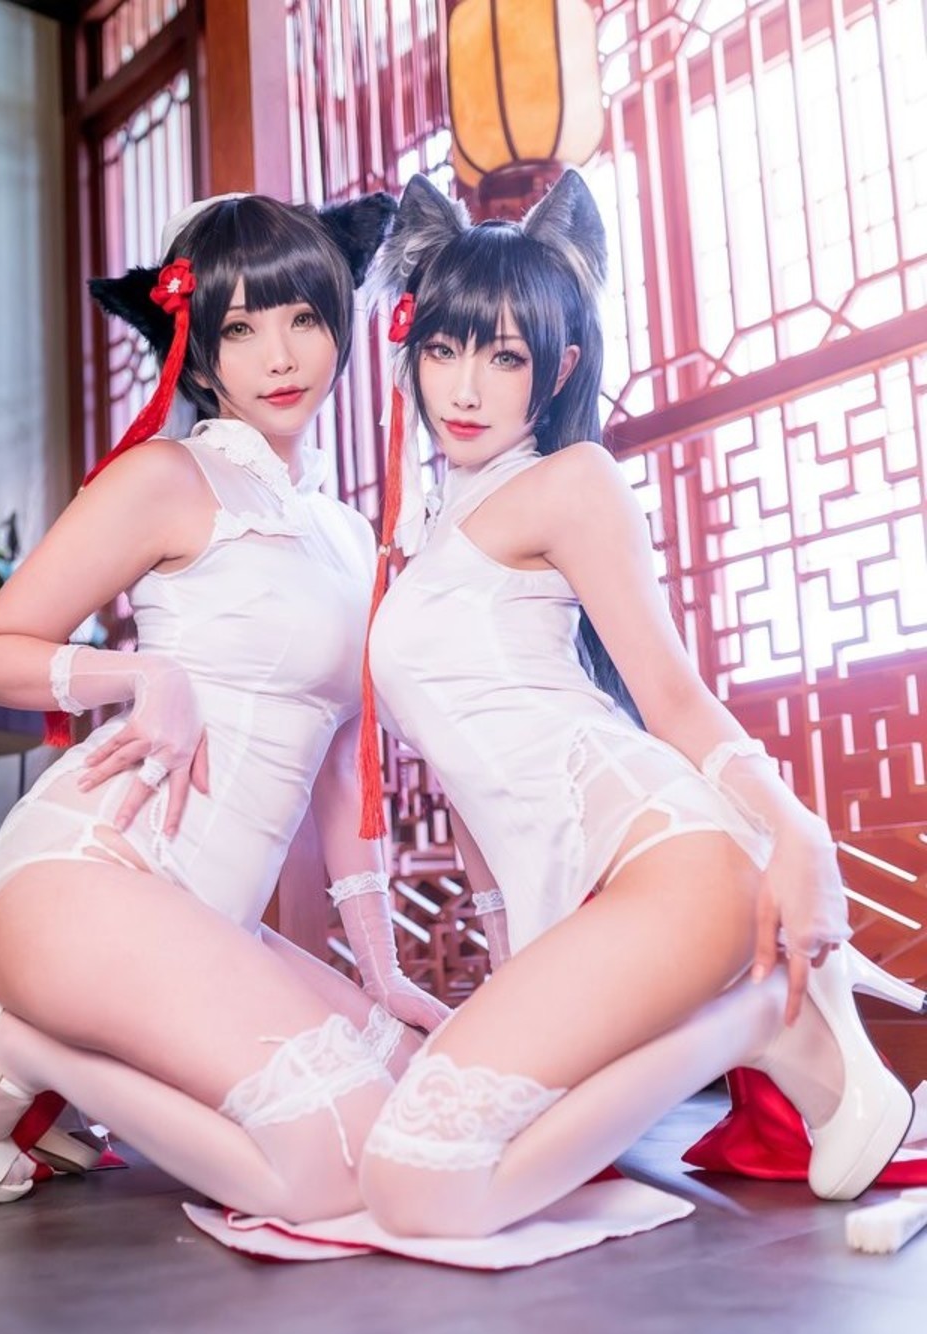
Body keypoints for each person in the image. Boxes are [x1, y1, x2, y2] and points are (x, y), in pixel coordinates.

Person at [0, 190, 447, 1217]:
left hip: (204, 924)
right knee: (335, 1174)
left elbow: (345, 773)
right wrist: (141, 676)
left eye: (304, 318)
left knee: (423, 1121)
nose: (280, 356)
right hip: (88, 881)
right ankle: (17, 1044)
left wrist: (383, 971)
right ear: (198, 355)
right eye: (240, 329)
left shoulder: (349, 538)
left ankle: (36, 1068)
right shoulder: (168, 478)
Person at [353, 170, 923, 1239]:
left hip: (671, 860)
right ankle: (760, 1024)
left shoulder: (571, 481)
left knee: (416, 1182)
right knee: (432, 1171)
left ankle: (762, 1019)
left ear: (559, 367)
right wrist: (511, 962)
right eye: (442, 349)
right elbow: (471, 783)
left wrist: (797, 831)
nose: (465, 386)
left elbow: (670, 694)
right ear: (411, 350)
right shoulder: (423, 542)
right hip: (592, 905)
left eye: (504, 357)